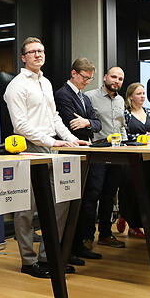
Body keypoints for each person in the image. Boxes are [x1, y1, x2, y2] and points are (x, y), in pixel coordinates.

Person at [3, 37, 88, 279]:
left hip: (53, 146)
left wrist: (70, 139)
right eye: (32, 52)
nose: (38, 55)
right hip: (28, 147)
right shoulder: (17, 86)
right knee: (26, 209)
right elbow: (20, 125)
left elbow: (55, 118)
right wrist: (52, 142)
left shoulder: (47, 83)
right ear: (23, 57)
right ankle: (28, 261)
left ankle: (48, 256)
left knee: (61, 202)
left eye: (41, 51)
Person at [54, 58, 105, 258]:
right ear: (74, 73)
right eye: (84, 78)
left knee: (87, 199)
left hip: (85, 151)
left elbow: (97, 123)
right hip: (70, 151)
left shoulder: (84, 98)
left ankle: (79, 244)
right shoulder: (62, 94)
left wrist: (87, 122)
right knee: (72, 201)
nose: (86, 82)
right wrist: (87, 123)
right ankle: (68, 247)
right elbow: (70, 123)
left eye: (90, 79)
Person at [82, 67, 128, 249]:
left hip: (117, 153)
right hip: (97, 153)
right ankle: (87, 236)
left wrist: (124, 143)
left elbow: (121, 125)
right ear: (105, 77)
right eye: (114, 77)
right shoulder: (90, 96)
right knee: (92, 195)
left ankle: (105, 234)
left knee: (110, 195)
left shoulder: (120, 100)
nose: (117, 81)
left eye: (121, 79)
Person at [122, 82, 150, 238]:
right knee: (133, 190)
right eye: (139, 94)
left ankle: (147, 223)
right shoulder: (125, 113)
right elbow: (124, 135)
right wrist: (141, 137)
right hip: (134, 157)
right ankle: (132, 224)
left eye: (144, 93)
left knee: (149, 189)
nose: (143, 96)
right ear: (131, 96)